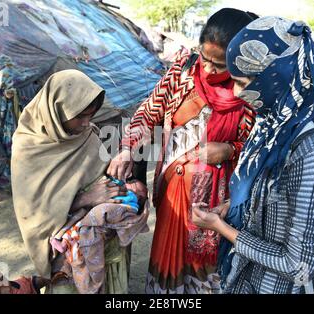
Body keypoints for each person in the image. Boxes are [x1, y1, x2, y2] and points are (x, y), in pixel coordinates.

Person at [192, 16, 314, 294]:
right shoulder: (276, 122)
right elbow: (271, 195)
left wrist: (224, 229)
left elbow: (299, 262)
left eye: (242, 82)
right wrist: (229, 207)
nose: (238, 93)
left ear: (276, 77)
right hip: (245, 276)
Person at [108, 9, 257, 294]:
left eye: (219, 65)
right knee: (168, 262)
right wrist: (127, 148)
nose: (209, 70)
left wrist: (228, 150)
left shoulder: (248, 89)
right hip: (174, 189)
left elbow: (256, 148)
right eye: (205, 58)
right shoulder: (184, 69)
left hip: (218, 200)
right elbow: (149, 111)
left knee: (207, 267)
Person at [11, 70, 149, 294]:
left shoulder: (85, 134)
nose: (87, 123)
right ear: (57, 110)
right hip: (67, 247)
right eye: (80, 116)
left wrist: (127, 181)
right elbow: (34, 214)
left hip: (104, 233)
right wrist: (87, 198)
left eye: (91, 115)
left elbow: (103, 173)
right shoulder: (29, 148)